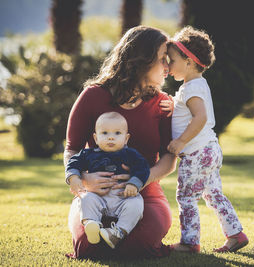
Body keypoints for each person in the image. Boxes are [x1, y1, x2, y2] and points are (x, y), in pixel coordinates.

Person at [64, 25, 177, 260]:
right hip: (95, 194)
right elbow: (72, 149)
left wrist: (144, 179)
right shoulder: (92, 96)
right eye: (162, 59)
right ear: (141, 61)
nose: (168, 67)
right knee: (88, 248)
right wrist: (85, 180)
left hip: (144, 192)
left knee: (139, 245)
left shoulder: (163, 104)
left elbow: (169, 159)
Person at [164, 26, 248, 253]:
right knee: (213, 194)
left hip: (195, 153)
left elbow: (200, 117)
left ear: (189, 61)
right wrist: (173, 104)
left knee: (186, 197)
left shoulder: (191, 88)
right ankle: (235, 234)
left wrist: (180, 142)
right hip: (210, 150)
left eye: (171, 60)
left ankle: (190, 242)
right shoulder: (196, 86)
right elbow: (188, 111)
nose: (168, 66)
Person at [65, 112, 149, 249]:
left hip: (123, 197)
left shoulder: (131, 154)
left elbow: (143, 168)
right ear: (96, 138)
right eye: (104, 133)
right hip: (98, 196)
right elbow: (73, 162)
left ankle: (118, 232)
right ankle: (91, 224)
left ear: (126, 138)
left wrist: (134, 183)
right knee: (86, 198)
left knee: (136, 204)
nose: (111, 137)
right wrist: (73, 177)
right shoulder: (88, 154)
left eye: (117, 133)